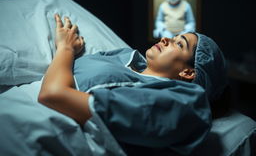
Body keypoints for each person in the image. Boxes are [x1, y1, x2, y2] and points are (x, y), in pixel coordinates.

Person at [38, 14, 227, 155]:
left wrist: (65, 48)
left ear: (188, 72)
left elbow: (52, 94)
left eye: (179, 44)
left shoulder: (182, 102)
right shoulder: (121, 57)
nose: (165, 39)